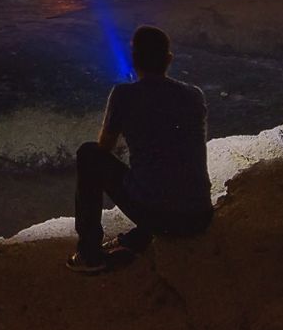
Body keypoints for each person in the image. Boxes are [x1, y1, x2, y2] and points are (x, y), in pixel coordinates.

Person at [66, 25, 212, 273]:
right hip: (199, 216)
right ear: (168, 60)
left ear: (134, 60)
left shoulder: (124, 94)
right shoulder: (194, 95)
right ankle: (140, 236)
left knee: (89, 155)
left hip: (161, 217)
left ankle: (89, 253)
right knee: (171, 169)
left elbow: (104, 147)